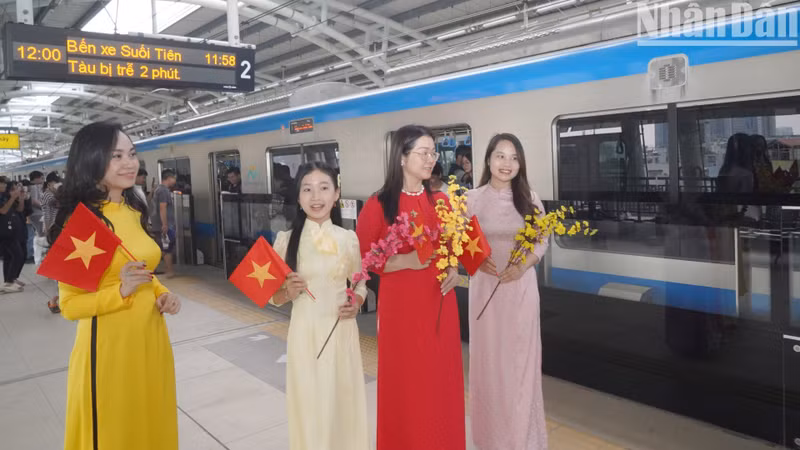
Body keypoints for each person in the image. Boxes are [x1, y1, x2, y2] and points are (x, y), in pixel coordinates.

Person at [51, 121, 181, 450]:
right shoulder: (82, 221)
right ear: (92, 160)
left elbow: (144, 273)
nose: (129, 163)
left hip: (150, 339)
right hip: (108, 350)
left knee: (150, 424)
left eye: (132, 154)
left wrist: (163, 295)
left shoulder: (134, 208)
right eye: (116, 155)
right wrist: (120, 291)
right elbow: (69, 306)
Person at [356, 124, 465, 450]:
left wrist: (454, 268)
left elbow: (450, 248)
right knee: (407, 384)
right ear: (402, 157)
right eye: (423, 152)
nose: (431, 159)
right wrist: (403, 263)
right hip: (401, 311)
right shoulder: (378, 205)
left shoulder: (442, 201)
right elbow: (363, 260)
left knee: (440, 382)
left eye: (433, 152)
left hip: (440, 306)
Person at [269, 161, 370, 450]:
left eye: (324, 188)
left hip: (341, 333)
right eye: (308, 190)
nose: (316, 197)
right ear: (299, 198)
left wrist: (357, 302)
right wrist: (287, 292)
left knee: (343, 401)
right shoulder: (285, 241)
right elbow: (273, 296)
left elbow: (360, 282)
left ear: (336, 194)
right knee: (310, 404)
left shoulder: (348, 239)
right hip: (305, 334)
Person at [466, 133, 549, 450]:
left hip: (520, 291)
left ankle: (521, 439)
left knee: (520, 365)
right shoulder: (470, 199)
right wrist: (474, 261)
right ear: (488, 159)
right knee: (488, 364)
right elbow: (458, 241)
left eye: (514, 158)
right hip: (485, 291)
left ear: (521, 163)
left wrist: (525, 265)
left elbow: (541, 239)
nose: (507, 164)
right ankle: (490, 439)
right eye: (500, 156)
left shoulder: (530, 198)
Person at [150, 169, 177, 278]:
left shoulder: (158, 189)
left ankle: (162, 268)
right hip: (164, 224)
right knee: (167, 247)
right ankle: (169, 270)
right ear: (169, 178)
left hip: (158, 223)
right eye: (174, 178)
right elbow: (163, 208)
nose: (175, 181)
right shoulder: (164, 191)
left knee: (163, 247)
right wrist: (165, 224)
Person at [41, 171, 62, 313]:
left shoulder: (52, 193)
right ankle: (53, 301)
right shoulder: (49, 194)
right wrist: (48, 230)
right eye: (55, 182)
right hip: (54, 228)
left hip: (56, 228)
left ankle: (54, 300)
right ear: (49, 184)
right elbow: (54, 208)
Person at [0, 179, 26, 293]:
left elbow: (20, 209)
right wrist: (12, 197)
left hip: (9, 231)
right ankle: (9, 281)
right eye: (2, 183)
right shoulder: (4, 197)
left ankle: (10, 281)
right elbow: (3, 210)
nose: (4, 185)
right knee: (18, 255)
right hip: (3, 232)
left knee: (12, 256)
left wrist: (20, 197)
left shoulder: (5, 196)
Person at [29, 171, 45, 264]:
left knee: (40, 233)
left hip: (36, 213)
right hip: (37, 213)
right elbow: (34, 201)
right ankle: (41, 256)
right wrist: (44, 207)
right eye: (41, 178)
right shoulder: (34, 187)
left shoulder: (34, 187)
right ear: (36, 178)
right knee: (42, 233)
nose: (43, 180)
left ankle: (40, 256)